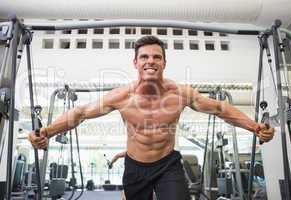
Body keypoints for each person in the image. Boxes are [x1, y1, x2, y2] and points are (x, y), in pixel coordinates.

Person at [28, 36, 275, 200]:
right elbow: (80, 113)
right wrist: (46, 132)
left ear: (164, 63)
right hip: (135, 168)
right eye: (144, 57)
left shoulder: (180, 94)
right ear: (135, 62)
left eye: (156, 57)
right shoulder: (121, 96)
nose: (150, 61)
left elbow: (221, 109)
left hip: (168, 164)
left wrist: (255, 127)